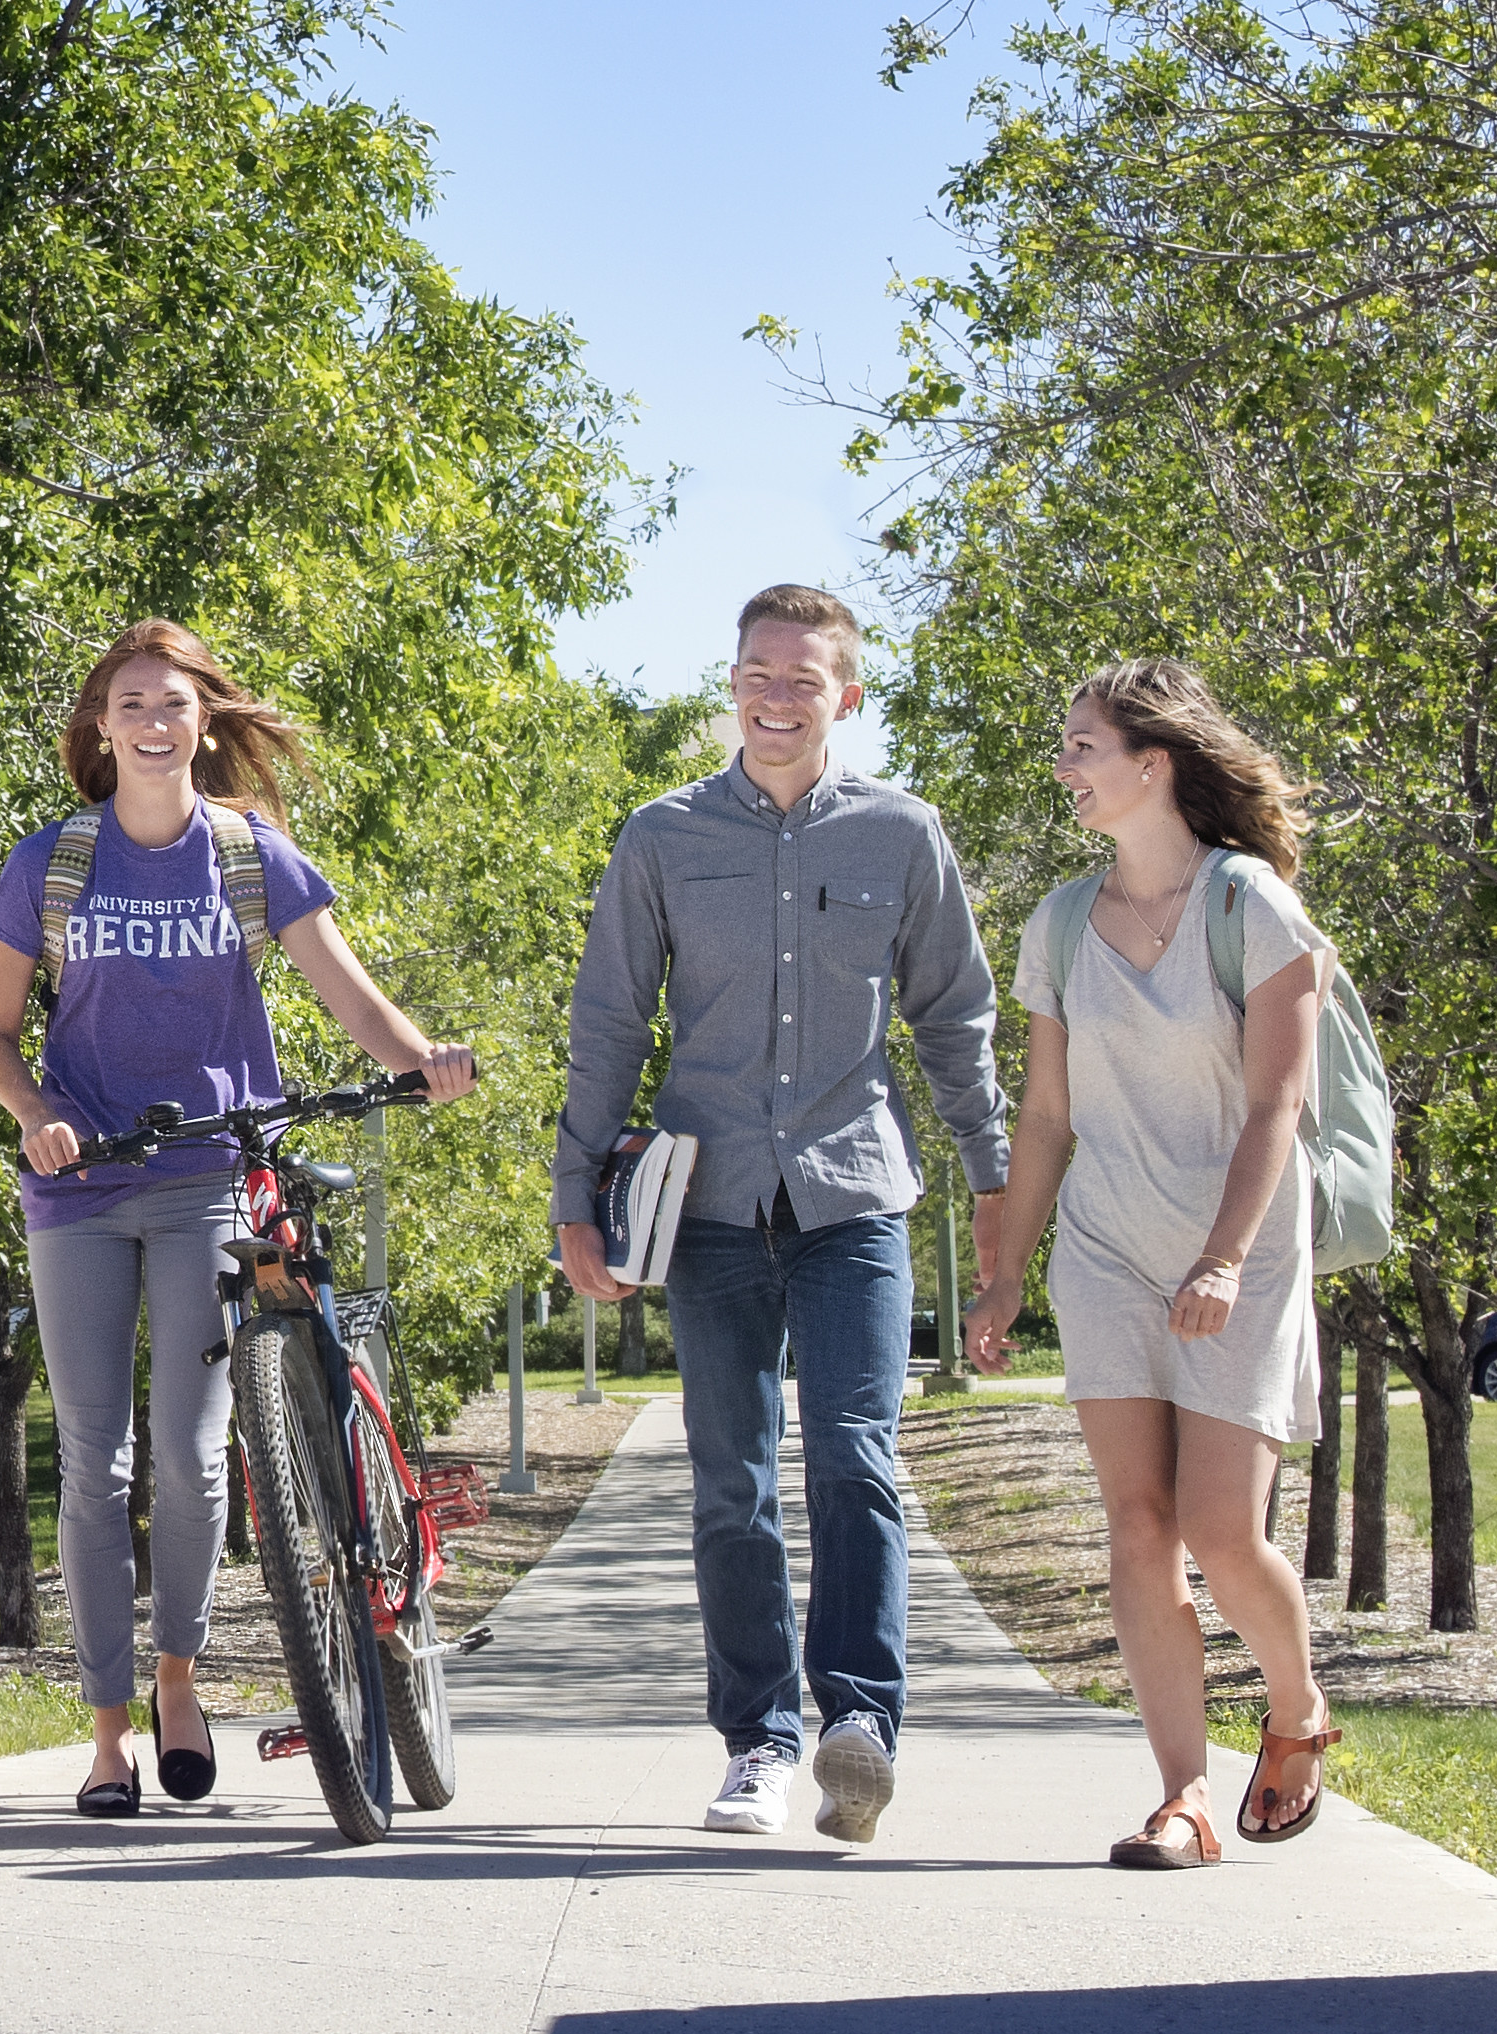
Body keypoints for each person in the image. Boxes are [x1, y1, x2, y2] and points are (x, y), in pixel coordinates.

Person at [0, 619, 481, 1820]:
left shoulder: (251, 857)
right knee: (94, 1466)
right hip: (81, 1185)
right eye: (130, 704)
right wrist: (38, 1114)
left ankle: (179, 1681)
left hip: (210, 1175)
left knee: (195, 1459)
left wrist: (427, 1059)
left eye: (172, 702)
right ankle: (106, 1736)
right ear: (102, 728)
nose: (153, 721)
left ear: (205, 719)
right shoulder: (50, 862)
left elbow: (351, 996)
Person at [552, 583, 1002, 1844]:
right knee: (731, 1481)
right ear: (731, 683)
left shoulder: (903, 835)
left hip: (853, 1195)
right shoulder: (661, 835)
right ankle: (758, 1740)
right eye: (758, 671)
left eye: (804, 678)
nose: (776, 695)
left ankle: (860, 1724)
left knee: (857, 1454)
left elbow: (955, 1022)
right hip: (706, 1201)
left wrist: (995, 1183)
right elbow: (606, 1022)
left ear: (845, 696)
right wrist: (573, 1197)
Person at [962, 658, 1349, 1869]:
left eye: (1084, 745)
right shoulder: (1064, 920)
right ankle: (1181, 1797)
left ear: (1154, 763)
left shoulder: (1251, 907)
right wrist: (1005, 1273)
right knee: (1137, 1524)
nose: (1066, 765)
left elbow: (1277, 1107)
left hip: (1237, 1246)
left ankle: (1296, 1712)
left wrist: (1226, 1258)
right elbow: (1043, 1117)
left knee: (1220, 1530)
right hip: (1108, 1250)